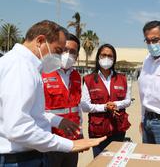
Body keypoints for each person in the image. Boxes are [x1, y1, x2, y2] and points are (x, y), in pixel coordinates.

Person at [0, 20, 105, 166]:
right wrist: (70, 145)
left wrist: (58, 121)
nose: (61, 56)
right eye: (58, 51)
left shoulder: (24, 65)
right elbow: (18, 128)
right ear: (40, 41)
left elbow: (32, 113)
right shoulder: (21, 68)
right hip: (19, 159)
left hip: (28, 154)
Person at [81, 43, 131, 157]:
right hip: (98, 130)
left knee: (116, 160)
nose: (107, 58)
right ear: (98, 57)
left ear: (114, 59)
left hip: (118, 129)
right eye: (103, 55)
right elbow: (84, 106)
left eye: (110, 56)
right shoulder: (89, 80)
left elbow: (128, 101)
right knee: (100, 161)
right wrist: (104, 107)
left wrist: (115, 104)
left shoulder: (122, 79)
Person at [42, 33, 83, 167]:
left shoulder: (77, 76)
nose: (68, 54)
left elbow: (77, 107)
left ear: (77, 56)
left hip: (72, 140)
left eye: (73, 52)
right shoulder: (43, 73)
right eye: (65, 50)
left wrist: (80, 132)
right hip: (51, 140)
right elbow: (36, 110)